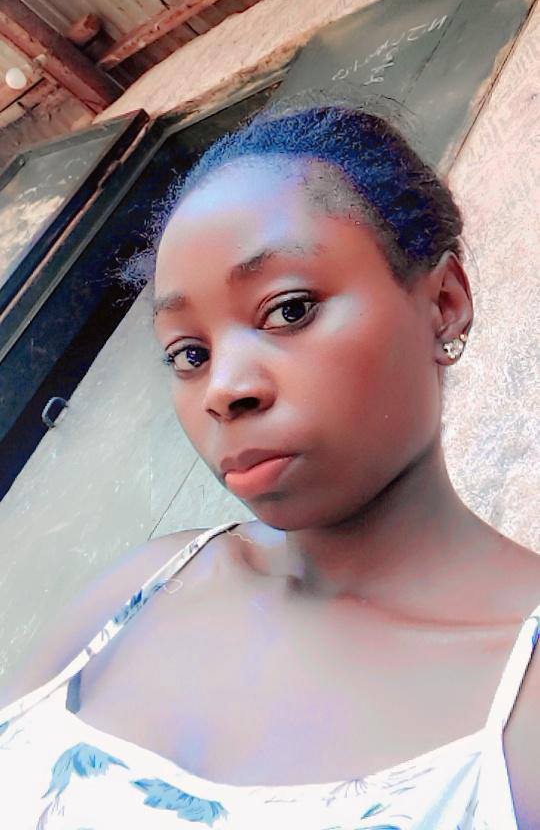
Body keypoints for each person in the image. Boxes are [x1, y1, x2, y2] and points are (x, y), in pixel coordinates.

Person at [0, 105, 539, 829]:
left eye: (288, 310)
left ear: (443, 304)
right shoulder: (145, 587)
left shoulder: (521, 702)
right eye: (189, 353)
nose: (222, 390)